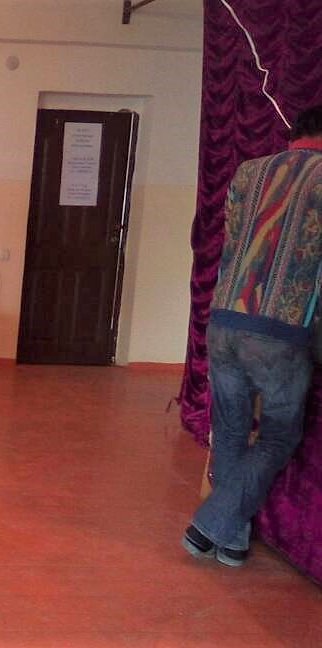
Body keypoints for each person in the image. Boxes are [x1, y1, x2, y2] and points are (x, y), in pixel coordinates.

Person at [183, 104, 322, 567]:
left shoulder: (249, 172)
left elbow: (229, 243)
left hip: (225, 318)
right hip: (281, 329)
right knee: (280, 436)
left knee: (230, 430)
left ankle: (232, 541)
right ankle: (210, 524)